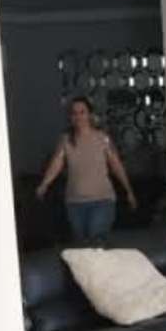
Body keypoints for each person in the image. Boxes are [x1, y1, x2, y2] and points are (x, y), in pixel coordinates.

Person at [35, 96, 137, 243]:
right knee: (82, 245)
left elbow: (116, 165)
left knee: (95, 238)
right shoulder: (66, 140)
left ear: (90, 114)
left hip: (102, 200)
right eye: (74, 113)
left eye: (82, 112)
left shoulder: (103, 138)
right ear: (70, 117)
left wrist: (128, 190)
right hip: (75, 203)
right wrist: (44, 184)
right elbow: (56, 164)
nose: (78, 116)